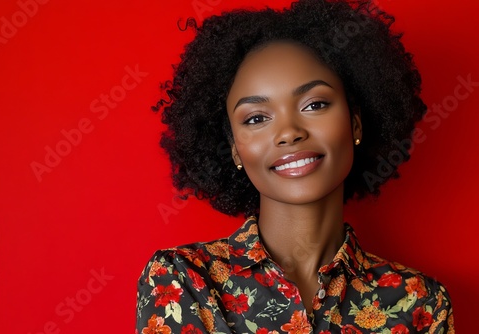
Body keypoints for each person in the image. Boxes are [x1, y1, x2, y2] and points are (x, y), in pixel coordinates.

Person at [136, 0, 454, 333]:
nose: (289, 132)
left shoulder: (420, 302)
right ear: (235, 151)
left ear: (355, 124)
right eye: (257, 118)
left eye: (314, 104)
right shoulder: (183, 281)